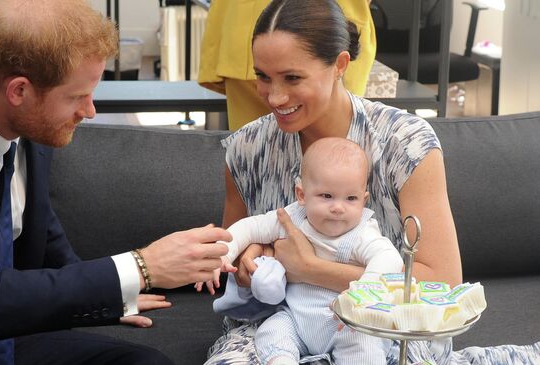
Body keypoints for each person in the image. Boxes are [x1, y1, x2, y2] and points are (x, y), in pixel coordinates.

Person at [0, 0, 230, 364]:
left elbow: (40, 228)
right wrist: (141, 267)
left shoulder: (27, 122)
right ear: (19, 91)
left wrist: (112, 294)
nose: (90, 111)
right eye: (77, 96)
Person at [205, 0, 540, 364]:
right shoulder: (246, 148)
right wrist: (251, 259)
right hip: (277, 326)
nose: (275, 96)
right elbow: (230, 254)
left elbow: (441, 283)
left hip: (389, 329)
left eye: (292, 78)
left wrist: (310, 269)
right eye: (263, 76)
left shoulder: (405, 141)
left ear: (340, 65)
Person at [198, 137, 403, 365]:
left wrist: (366, 290)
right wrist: (222, 254)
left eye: (351, 198)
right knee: (272, 330)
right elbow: (250, 227)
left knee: (365, 342)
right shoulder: (292, 218)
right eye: (326, 196)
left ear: (364, 200)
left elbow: (389, 258)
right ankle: (282, 360)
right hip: (295, 319)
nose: (338, 207)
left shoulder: (362, 232)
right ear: (302, 195)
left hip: (345, 322)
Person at [197, 0, 376, 131]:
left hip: (325, 34)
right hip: (249, 31)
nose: (277, 97)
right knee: (254, 152)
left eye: (293, 78)